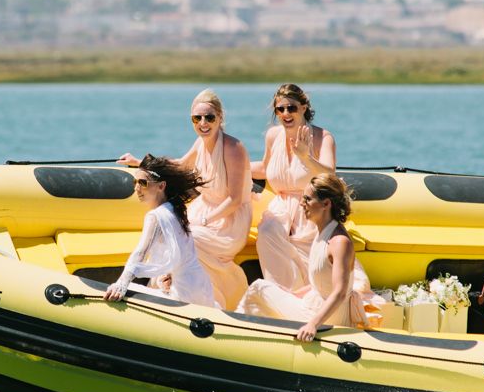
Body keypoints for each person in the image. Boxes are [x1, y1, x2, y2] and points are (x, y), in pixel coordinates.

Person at [118, 89, 252, 310]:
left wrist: (206, 221)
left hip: (228, 220)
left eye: (209, 117)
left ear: (220, 118)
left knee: (188, 236)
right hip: (204, 209)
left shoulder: (233, 148)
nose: (203, 123)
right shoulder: (200, 143)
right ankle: (166, 285)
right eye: (196, 118)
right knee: (167, 232)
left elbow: (235, 199)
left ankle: (202, 296)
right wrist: (139, 162)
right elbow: (180, 164)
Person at [237, 173, 368, 339]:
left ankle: (238, 333)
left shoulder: (339, 243)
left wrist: (313, 324)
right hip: (313, 305)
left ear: (326, 204)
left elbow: (340, 293)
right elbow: (320, 283)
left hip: (326, 317)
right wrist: (293, 294)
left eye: (307, 199)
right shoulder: (322, 232)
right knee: (269, 290)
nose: (301, 203)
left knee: (258, 288)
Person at [251, 84, 336, 291]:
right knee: (268, 231)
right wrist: (233, 166)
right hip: (281, 207)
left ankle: (306, 294)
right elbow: (265, 168)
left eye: (291, 108)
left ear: (304, 107)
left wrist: (306, 157)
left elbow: (330, 175)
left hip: (311, 207)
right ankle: (281, 294)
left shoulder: (323, 137)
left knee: (305, 244)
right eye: (280, 109)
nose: (285, 114)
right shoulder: (273, 135)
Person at [103, 155, 217, 308]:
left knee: (124, 289)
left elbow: (140, 253)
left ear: (161, 186)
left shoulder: (155, 216)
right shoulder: (175, 209)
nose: (137, 188)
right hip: (201, 288)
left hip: (183, 293)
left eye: (143, 183)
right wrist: (169, 273)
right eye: (135, 182)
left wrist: (121, 284)